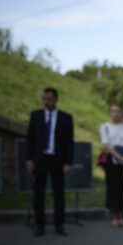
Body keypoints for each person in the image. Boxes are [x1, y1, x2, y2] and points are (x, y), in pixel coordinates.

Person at [26, 87, 74, 236]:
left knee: (58, 193)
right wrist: (29, 160)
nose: (46, 102)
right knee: (38, 193)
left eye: (49, 99)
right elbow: (30, 139)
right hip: (40, 160)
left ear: (55, 99)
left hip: (57, 160)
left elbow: (69, 142)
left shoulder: (65, 118)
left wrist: (68, 162)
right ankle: (39, 224)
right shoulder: (36, 116)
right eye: (44, 99)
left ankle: (59, 224)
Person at [100, 103, 123, 228]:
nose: (116, 113)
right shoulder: (105, 126)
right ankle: (114, 216)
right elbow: (106, 144)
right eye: (113, 111)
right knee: (112, 188)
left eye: (118, 111)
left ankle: (121, 216)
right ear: (110, 113)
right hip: (112, 160)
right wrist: (119, 157)